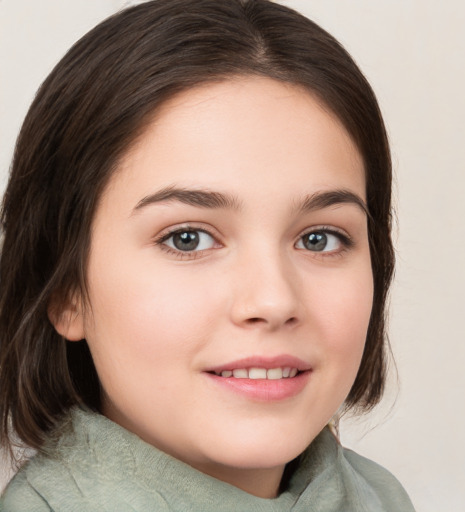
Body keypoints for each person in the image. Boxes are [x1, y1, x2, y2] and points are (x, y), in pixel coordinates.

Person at [0, 0, 415, 510]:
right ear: (64, 288)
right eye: (187, 238)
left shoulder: (381, 498)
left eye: (319, 238)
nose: (273, 299)